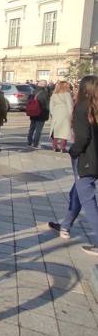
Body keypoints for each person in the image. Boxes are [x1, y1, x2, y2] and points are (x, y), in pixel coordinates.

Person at [48, 76, 98, 257]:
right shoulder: (94, 107)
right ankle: (65, 226)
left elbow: (83, 137)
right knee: (76, 193)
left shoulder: (82, 108)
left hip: (85, 160)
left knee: (88, 200)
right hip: (94, 159)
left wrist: (73, 151)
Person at [49, 81, 73, 153]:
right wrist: (71, 114)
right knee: (65, 131)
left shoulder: (54, 94)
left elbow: (51, 106)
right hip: (65, 112)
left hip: (56, 112)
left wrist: (53, 113)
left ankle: (55, 146)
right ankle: (63, 147)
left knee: (56, 131)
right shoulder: (67, 94)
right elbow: (70, 105)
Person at [27, 80, 51, 148]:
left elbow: (28, 101)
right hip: (41, 114)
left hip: (33, 112)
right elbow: (46, 105)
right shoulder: (44, 93)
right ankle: (35, 143)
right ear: (44, 85)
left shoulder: (33, 91)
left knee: (32, 128)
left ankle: (29, 141)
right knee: (38, 130)